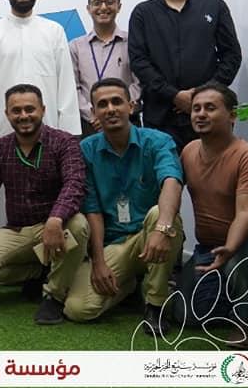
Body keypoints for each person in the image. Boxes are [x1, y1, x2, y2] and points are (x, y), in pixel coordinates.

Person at [0, 84, 88, 325]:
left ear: (42, 110)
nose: (23, 116)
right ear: (7, 114)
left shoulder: (64, 142)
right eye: (16, 110)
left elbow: (74, 185)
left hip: (56, 225)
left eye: (30, 109)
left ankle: (53, 296)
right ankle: (40, 272)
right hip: (19, 230)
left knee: (79, 225)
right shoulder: (1, 148)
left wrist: (55, 219)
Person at [176, 82, 248, 348]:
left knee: (242, 256)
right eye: (196, 108)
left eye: (210, 108)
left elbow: (246, 212)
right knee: (188, 315)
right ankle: (236, 294)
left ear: (232, 115)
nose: (201, 114)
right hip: (211, 248)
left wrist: (229, 249)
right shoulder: (189, 151)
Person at [63, 78, 184, 335]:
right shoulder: (86, 150)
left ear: (131, 106)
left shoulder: (158, 141)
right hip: (115, 243)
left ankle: (155, 304)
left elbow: (172, 181)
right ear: (94, 113)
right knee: (78, 309)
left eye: (117, 102)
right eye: (102, 104)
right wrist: (98, 262)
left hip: (150, 235)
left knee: (160, 215)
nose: (110, 109)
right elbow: (92, 209)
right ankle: (130, 285)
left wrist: (162, 228)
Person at [129, 0, 242, 151]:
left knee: (212, 171)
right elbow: (139, 62)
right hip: (161, 117)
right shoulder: (143, 13)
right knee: (166, 171)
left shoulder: (214, 6)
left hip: (209, 114)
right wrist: (174, 95)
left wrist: (201, 95)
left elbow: (231, 56)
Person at [0, 0, 80, 138]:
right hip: (2, 128)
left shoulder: (54, 31)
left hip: (49, 127)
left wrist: (69, 131)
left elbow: (66, 85)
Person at [69, 0, 141, 137]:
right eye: (97, 3)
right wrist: (93, 114)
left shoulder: (133, 42)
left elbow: (139, 82)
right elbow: (73, 88)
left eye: (109, 2)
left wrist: (123, 108)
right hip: (90, 124)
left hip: (127, 121)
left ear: (119, 7)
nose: (103, 7)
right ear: (88, 8)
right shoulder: (75, 47)